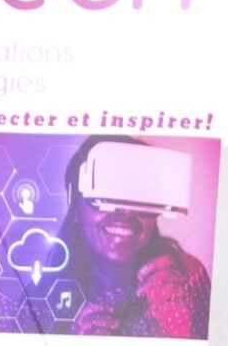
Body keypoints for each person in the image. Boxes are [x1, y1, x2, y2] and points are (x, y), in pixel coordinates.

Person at [59, 135, 210, 339]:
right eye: (106, 195)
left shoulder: (187, 278)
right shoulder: (42, 302)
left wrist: (177, 330)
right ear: (75, 207)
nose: (126, 212)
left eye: (139, 197)